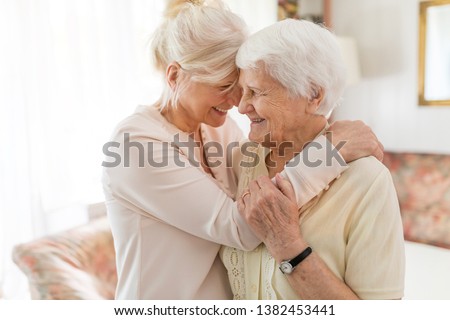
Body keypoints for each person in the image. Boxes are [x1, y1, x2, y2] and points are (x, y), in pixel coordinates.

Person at [102, 0, 384, 299]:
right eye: (224, 85)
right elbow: (244, 228)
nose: (237, 101)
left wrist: (323, 134)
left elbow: (260, 176)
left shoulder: (215, 127)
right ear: (174, 76)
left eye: (240, 85)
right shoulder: (135, 146)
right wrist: (331, 151)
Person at [220, 18, 405, 300]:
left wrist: (287, 245)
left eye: (256, 92)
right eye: (242, 91)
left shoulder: (367, 181)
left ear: (312, 94)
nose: (242, 106)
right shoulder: (239, 160)